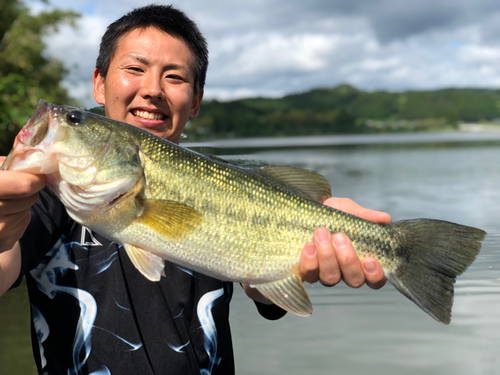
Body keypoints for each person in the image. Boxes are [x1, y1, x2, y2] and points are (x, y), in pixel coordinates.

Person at [0, 4, 390, 374]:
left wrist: (316, 249)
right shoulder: (45, 198)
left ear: (196, 99)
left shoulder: (228, 183)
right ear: (99, 83)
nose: (152, 89)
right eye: (135, 68)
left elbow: (261, 288)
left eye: (174, 77)